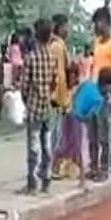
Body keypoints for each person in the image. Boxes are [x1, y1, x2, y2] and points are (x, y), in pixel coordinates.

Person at [21, 18, 57, 194]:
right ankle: (47, 178)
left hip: (34, 107)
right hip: (47, 107)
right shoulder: (52, 57)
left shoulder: (30, 57)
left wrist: (26, 100)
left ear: (36, 35)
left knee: (33, 146)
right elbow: (54, 82)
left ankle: (32, 182)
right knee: (47, 144)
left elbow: (24, 85)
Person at [88, 7, 111, 180]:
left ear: (106, 23)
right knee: (92, 133)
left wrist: (107, 89)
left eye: (98, 23)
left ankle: (104, 168)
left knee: (104, 133)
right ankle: (93, 166)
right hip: (92, 90)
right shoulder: (97, 42)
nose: (96, 26)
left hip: (103, 92)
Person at [49, 14, 71, 173]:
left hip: (59, 97)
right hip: (56, 98)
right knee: (55, 134)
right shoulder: (56, 47)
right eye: (65, 26)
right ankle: (53, 167)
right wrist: (60, 98)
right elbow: (57, 75)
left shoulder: (60, 45)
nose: (67, 30)